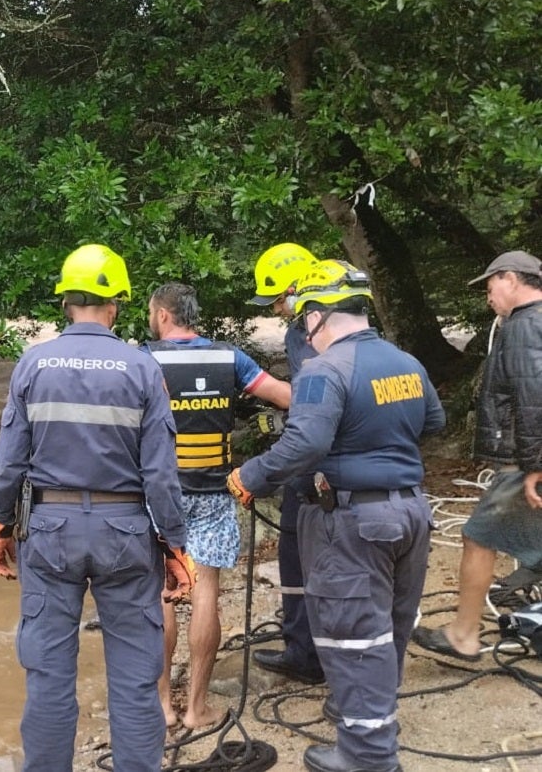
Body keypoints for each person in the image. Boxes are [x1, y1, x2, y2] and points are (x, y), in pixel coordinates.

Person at [0, 243, 196, 772]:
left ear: (65, 302)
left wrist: (0, 525)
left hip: (49, 531)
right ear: (115, 304)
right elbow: (160, 475)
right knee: (136, 680)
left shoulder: (33, 364)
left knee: (49, 677)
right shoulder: (141, 368)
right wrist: (175, 545)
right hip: (125, 533)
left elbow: (9, 464)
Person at [227, 260, 445, 772]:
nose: (305, 331)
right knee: (387, 626)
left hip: (354, 521)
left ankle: (368, 755)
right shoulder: (405, 362)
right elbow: (433, 422)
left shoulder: (323, 370)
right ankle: (369, 719)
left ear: (318, 315)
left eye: (305, 319)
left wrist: (250, 476)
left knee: (353, 635)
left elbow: (304, 444)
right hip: (410, 510)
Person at [144, 282, 291, 729]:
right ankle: (197, 708)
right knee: (205, 589)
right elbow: (287, 397)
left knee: (163, 591)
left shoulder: (144, 359)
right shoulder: (230, 358)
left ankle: (162, 707)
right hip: (213, 491)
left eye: (151, 312)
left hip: (159, 494)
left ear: (163, 315)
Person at [411, 250, 542, 661]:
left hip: (524, 462)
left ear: (511, 279)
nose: (488, 297)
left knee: (477, 536)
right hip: (531, 456)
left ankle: (463, 635)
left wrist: (535, 466)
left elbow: (533, 397)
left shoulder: (523, 326)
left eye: (490, 286)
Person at [246, 241, 325, 684]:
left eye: (277, 299)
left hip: (316, 463)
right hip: (336, 459)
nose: (277, 309)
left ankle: (306, 654)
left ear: (296, 288)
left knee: (297, 551)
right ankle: (319, 644)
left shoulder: (306, 333)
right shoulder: (351, 324)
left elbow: (316, 405)